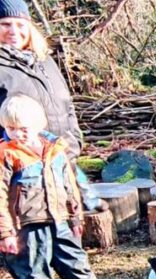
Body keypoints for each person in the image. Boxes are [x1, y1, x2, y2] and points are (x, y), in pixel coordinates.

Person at [0, 94, 119, 279]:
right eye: (10, 128)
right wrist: (5, 233)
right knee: (34, 274)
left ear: (39, 124)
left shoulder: (55, 149)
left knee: (77, 264)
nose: (17, 134)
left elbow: (70, 184)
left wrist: (76, 217)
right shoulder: (7, 154)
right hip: (27, 227)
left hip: (60, 220)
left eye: (23, 129)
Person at [0, 0, 103, 211]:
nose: (14, 31)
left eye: (20, 25)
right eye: (5, 24)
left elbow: (67, 104)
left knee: (79, 218)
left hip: (62, 156)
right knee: (36, 230)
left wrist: (75, 139)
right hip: (24, 169)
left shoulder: (44, 60)